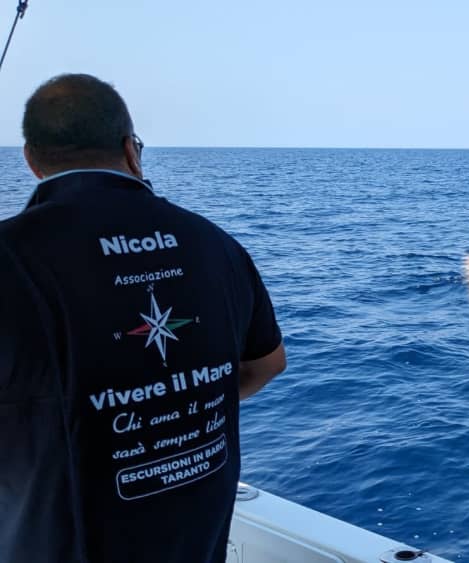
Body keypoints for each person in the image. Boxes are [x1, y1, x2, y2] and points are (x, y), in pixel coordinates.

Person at [0, 74, 286, 563]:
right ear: (131, 150)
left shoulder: (10, 255)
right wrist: (172, 409)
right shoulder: (216, 243)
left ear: (31, 160)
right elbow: (268, 364)